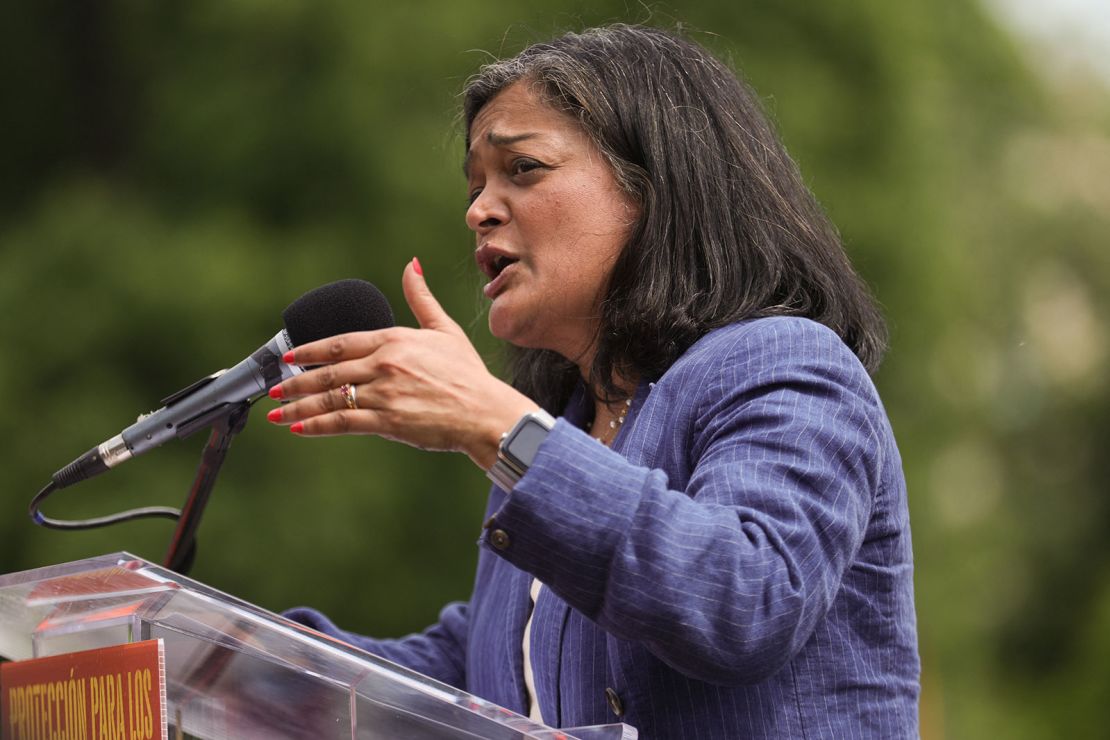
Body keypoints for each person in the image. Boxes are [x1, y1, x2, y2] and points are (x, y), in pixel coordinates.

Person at [269, 24, 920, 738]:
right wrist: (238, 659)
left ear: (652, 187)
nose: (478, 209)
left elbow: (745, 597)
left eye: (523, 169)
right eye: (477, 183)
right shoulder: (568, 428)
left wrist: (496, 424)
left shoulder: (786, 363)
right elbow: (481, 673)